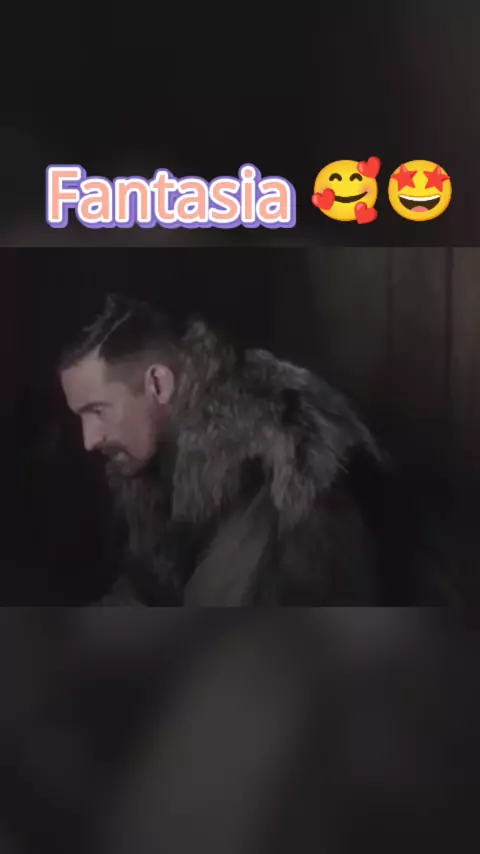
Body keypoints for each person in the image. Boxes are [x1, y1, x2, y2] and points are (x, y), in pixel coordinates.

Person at [57, 293, 408, 606]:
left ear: (158, 384)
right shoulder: (156, 463)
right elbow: (146, 590)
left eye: (98, 411)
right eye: (80, 416)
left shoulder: (269, 470)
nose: (89, 440)